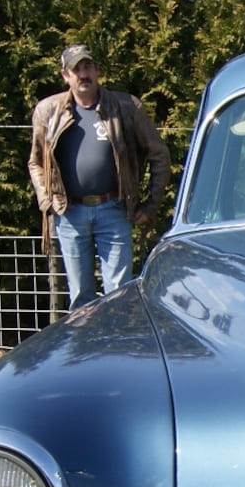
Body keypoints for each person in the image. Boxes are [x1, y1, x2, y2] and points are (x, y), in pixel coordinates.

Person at [28, 44, 170, 311]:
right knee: (80, 298)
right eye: (76, 69)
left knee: (119, 295)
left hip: (114, 211)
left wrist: (151, 205)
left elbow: (159, 155)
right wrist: (47, 200)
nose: (83, 74)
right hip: (69, 213)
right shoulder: (47, 111)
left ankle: (117, 349)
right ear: (65, 75)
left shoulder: (126, 107)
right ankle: (86, 352)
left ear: (97, 70)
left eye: (88, 67)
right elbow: (36, 162)